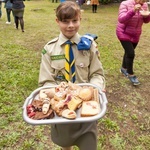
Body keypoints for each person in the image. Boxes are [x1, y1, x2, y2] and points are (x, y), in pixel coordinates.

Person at [38, 1, 105, 150]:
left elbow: (97, 74)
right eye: (65, 21)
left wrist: (96, 88)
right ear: (57, 21)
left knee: (89, 145)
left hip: (86, 112)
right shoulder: (49, 49)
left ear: (80, 19)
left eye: (74, 20)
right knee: (64, 142)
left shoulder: (89, 46)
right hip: (61, 112)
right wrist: (57, 96)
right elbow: (46, 81)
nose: (70, 25)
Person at [116, 0, 150, 86]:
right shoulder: (125, 4)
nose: (143, 2)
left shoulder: (145, 5)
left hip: (135, 34)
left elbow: (146, 21)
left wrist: (147, 15)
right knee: (131, 53)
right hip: (123, 32)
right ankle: (131, 74)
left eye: (145, 0)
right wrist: (133, 11)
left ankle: (123, 68)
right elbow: (121, 19)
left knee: (128, 52)